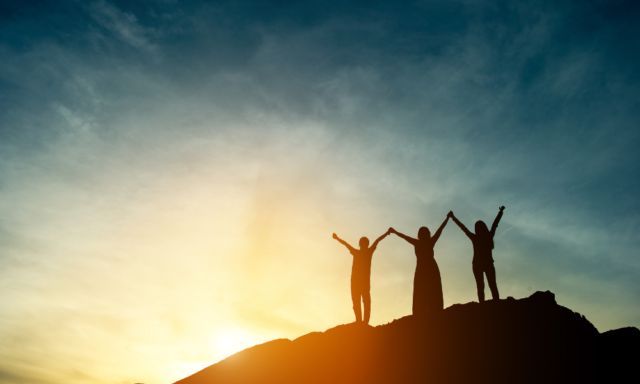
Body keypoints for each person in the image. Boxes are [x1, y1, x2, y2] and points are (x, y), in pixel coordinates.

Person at [388, 215, 450, 315]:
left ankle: (424, 311)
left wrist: (394, 231)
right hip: (430, 269)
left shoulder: (418, 243)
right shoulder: (429, 242)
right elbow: (440, 229)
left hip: (423, 269)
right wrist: (447, 218)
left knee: (423, 289)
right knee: (431, 289)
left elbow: (404, 236)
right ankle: (433, 309)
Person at [449, 206, 505, 302]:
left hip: (478, 264)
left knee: (480, 286)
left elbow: (463, 228)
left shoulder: (475, 238)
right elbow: (495, 224)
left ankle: (482, 305)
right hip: (486, 263)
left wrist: (453, 217)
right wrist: (500, 212)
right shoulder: (488, 236)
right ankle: (496, 304)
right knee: (492, 285)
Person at [333, 231, 389, 324]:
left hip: (357, 283)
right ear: (365, 244)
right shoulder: (367, 252)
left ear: (360, 244)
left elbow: (346, 244)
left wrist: (337, 238)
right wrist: (387, 233)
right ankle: (362, 322)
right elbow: (377, 240)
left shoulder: (358, 252)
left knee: (359, 302)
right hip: (360, 283)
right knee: (362, 302)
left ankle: (361, 321)